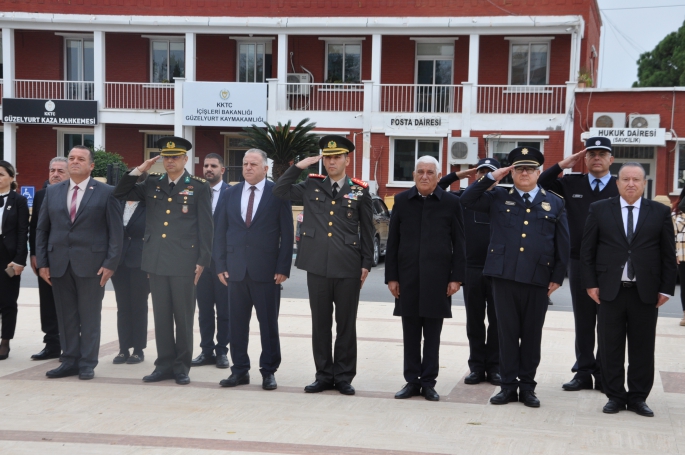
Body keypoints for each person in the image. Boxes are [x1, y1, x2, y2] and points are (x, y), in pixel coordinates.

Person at [460, 147, 570, 408]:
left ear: (538, 172)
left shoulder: (554, 201)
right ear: (511, 172)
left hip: (538, 279)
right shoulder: (498, 196)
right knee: (506, 335)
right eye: (519, 168)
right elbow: (466, 200)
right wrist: (490, 178)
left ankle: (528, 387)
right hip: (504, 277)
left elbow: (562, 243)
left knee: (531, 336)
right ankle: (508, 386)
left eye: (530, 169)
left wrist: (557, 276)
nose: (524, 173)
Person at [273, 135, 374, 396]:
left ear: (346, 160)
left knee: (346, 324)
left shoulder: (359, 190)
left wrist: (366, 264)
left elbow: (367, 230)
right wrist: (298, 167)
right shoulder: (310, 185)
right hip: (317, 266)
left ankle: (343, 376)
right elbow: (279, 191)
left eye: (337, 157)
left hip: (348, 267)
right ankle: (323, 375)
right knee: (320, 324)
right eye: (328, 157)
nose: (331, 161)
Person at [113, 136, 213, 386]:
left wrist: (203, 260)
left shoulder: (198, 186)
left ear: (185, 159)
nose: (170, 161)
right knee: (161, 316)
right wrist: (140, 170)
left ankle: (181, 367)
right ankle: (164, 365)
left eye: (175, 157)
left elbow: (206, 227)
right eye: (166, 157)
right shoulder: (152, 183)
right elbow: (119, 192)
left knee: (183, 317)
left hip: (184, 261)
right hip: (156, 260)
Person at [581, 162, 676, 417]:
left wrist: (666, 288)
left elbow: (668, 254)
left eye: (636, 179)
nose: (631, 183)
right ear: (617, 182)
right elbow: (587, 251)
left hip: (645, 292)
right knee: (610, 346)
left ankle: (637, 397)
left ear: (644, 184)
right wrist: (590, 283)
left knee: (642, 348)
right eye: (625, 179)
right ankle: (614, 396)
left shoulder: (659, 211)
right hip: (609, 291)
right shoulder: (600, 209)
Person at [538, 136, 618, 393]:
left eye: (601, 154)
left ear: (610, 159)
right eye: (591, 154)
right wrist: (563, 163)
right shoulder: (572, 183)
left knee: (608, 320)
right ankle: (583, 372)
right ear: (584, 159)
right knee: (584, 320)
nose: (596, 158)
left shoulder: (621, 186)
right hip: (579, 260)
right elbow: (541, 182)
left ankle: (605, 374)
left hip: (611, 263)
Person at [35, 146, 123, 380]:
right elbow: (42, 229)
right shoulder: (53, 192)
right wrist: (42, 262)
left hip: (93, 265)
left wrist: (111, 263)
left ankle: (87, 363)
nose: (75, 162)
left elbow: (116, 232)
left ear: (91, 166)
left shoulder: (106, 192)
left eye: (81, 159)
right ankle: (69, 360)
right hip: (59, 264)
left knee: (89, 316)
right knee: (66, 316)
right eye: (71, 158)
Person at [386, 155, 466, 402]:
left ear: (439, 176)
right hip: (407, 279)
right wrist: (392, 277)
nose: (425, 176)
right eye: (420, 171)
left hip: (437, 280)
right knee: (410, 334)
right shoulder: (401, 201)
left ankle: (429, 382)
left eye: (430, 172)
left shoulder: (451, 203)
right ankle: (412, 381)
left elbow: (460, 243)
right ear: (413, 175)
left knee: (432, 335)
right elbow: (393, 242)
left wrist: (456, 277)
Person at [214, 149, 293, 390]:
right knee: (236, 324)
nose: (248, 168)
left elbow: (287, 234)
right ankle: (239, 370)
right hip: (235, 271)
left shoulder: (277, 193)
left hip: (267, 272)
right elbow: (220, 231)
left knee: (268, 324)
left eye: (254, 164)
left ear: (266, 168)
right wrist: (220, 264)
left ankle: (268, 371)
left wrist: (283, 267)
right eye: (245, 164)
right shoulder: (230, 193)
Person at [438, 158, 501, 386]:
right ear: (476, 175)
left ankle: (495, 367)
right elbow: (437, 188)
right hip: (471, 269)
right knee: (474, 322)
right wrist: (457, 175)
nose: (485, 176)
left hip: (497, 270)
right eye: (481, 172)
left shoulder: (502, 198)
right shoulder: (461, 199)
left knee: (497, 322)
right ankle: (476, 367)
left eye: (490, 173)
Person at [192, 153, 230, 369]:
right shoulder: (195, 191)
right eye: (206, 165)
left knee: (224, 310)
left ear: (222, 170)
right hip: (200, 263)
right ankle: (206, 350)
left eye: (213, 166)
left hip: (222, 263)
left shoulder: (231, 193)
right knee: (204, 310)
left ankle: (222, 351)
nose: (208, 169)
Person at [28, 157, 68, 360]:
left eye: (61, 170)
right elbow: (35, 227)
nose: (55, 174)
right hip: (46, 258)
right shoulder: (41, 195)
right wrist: (34, 254)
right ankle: (51, 344)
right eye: (52, 170)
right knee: (47, 303)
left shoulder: (76, 194)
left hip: (71, 259)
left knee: (69, 304)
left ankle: (70, 346)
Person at [111, 170, 149, 365]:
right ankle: (123, 348)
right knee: (123, 306)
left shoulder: (149, 204)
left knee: (138, 305)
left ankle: (138, 349)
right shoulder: (118, 201)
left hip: (140, 262)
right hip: (119, 261)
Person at [0, 161, 30, 360]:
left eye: (1, 174)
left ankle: (5, 341)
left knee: (7, 300)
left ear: (11, 177)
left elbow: (22, 231)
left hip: (7, 255)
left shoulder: (18, 200)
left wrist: (20, 259)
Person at [673, 187, 685, 326]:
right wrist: (674, 253)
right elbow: (671, 236)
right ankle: (684, 314)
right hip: (682, 254)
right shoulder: (675, 212)